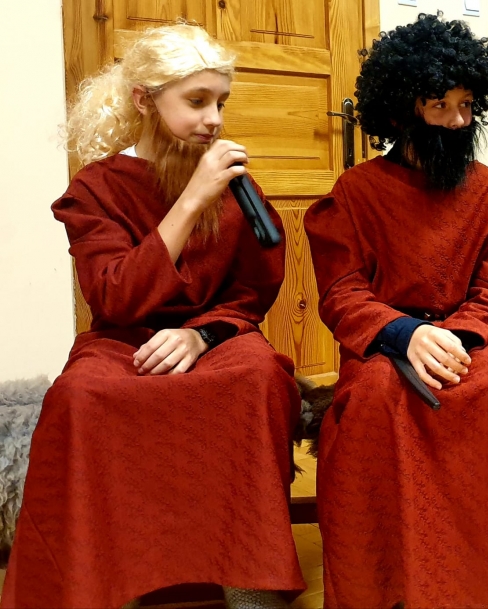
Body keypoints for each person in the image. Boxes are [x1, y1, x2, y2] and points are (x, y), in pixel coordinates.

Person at [1, 23, 305, 609]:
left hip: (217, 337)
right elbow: (114, 296)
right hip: (124, 339)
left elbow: (252, 290)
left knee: (260, 379)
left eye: (220, 103)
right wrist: (192, 199)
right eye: (196, 101)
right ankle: (108, 585)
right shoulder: (96, 187)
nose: (213, 119)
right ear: (144, 100)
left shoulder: (236, 186)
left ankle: (250, 588)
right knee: (81, 397)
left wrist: (200, 336)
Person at [304, 13, 488, 609]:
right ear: (401, 111)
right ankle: (387, 587)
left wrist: (453, 338)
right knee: (376, 400)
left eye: (467, 105)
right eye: (440, 106)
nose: (459, 121)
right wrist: (404, 334)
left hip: (471, 340)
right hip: (384, 343)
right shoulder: (354, 192)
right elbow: (342, 292)